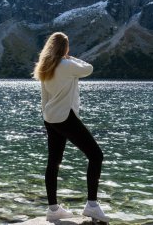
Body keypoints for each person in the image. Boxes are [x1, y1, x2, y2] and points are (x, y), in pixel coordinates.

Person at [33, 32, 110, 222]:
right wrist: (70, 57)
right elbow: (89, 68)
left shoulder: (45, 67)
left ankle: (53, 209)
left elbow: (45, 97)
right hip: (66, 117)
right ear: (64, 48)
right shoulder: (67, 65)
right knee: (96, 155)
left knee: (53, 161)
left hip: (50, 118)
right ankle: (92, 205)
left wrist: (46, 118)